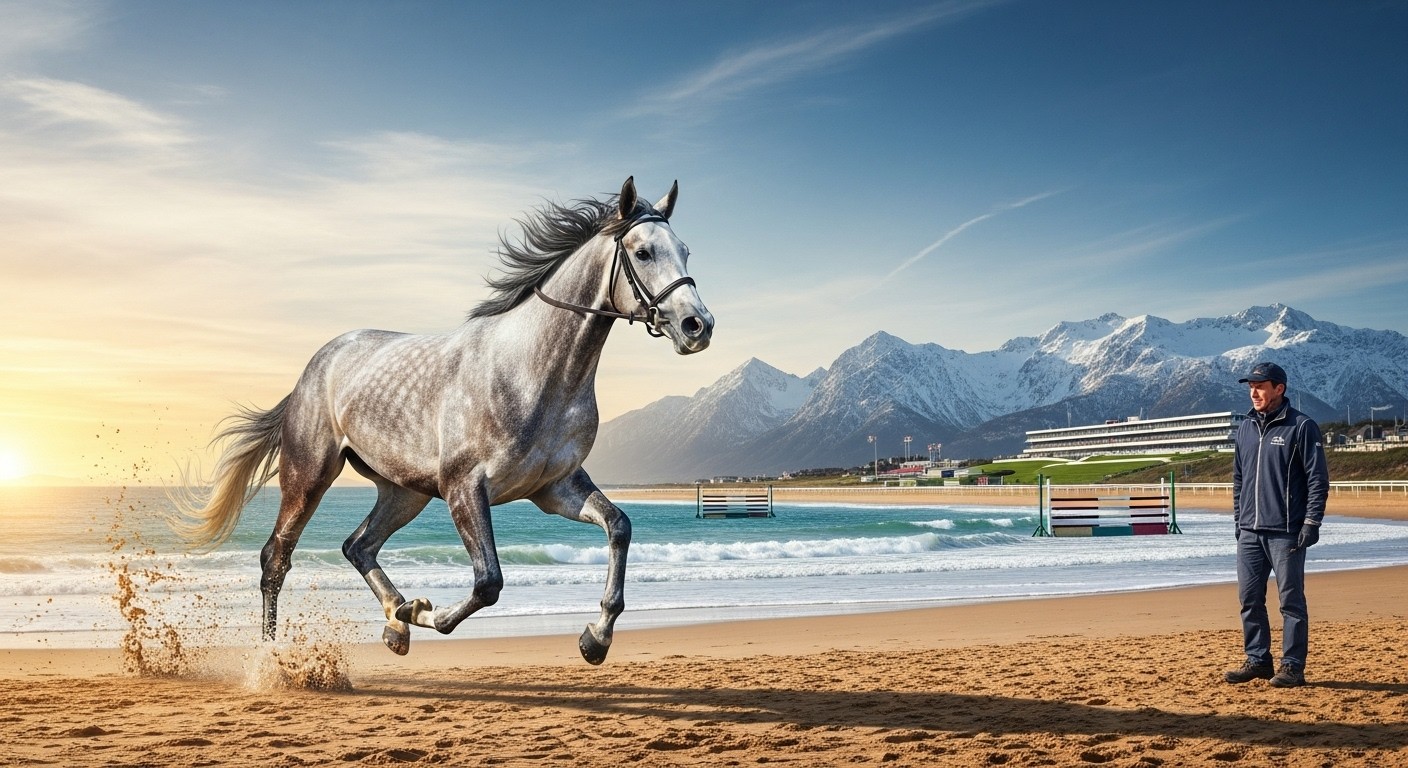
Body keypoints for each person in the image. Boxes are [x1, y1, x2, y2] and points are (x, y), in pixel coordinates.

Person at [1224, 361, 1328, 688]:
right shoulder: (1245, 428)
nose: (1253, 392)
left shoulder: (1302, 426)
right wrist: (1239, 521)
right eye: (1250, 387)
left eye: (1260, 386)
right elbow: (1239, 479)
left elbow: (1317, 479)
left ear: (1279, 389)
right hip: (1250, 533)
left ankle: (1293, 666)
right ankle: (1258, 660)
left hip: (1287, 533)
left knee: (1291, 602)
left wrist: (1311, 522)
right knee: (1249, 599)